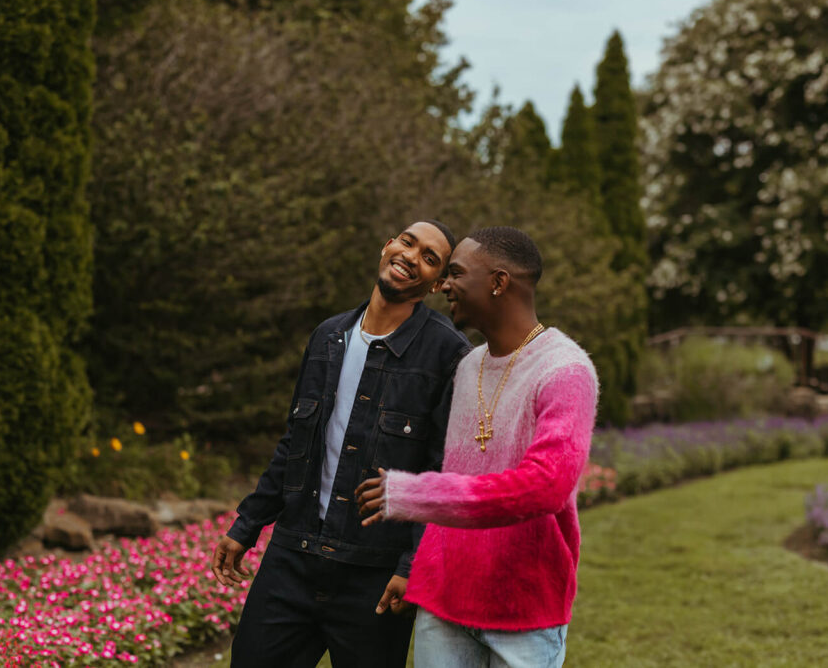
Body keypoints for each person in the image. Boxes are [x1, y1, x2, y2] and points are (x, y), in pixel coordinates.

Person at [213, 220, 471, 668]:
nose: (412, 257)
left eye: (430, 258)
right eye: (407, 242)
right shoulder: (327, 337)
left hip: (373, 575)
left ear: (436, 284)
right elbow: (296, 440)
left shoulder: (448, 354)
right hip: (293, 557)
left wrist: (411, 566)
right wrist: (247, 523)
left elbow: (440, 474)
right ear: (386, 245)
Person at [355, 226, 599, 668]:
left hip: (523, 612)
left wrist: (414, 494)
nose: (443, 285)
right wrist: (419, 571)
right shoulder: (467, 367)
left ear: (498, 282)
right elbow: (455, 475)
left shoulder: (565, 371)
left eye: (456, 273)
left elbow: (547, 486)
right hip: (443, 605)